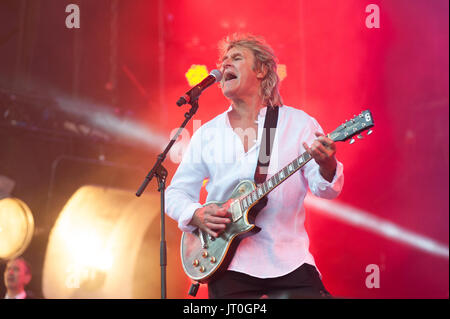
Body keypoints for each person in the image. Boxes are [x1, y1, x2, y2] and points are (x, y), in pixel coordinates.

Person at [165, 33, 344, 299]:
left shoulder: (298, 123)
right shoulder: (208, 133)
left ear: (261, 70)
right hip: (229, 263)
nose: (225, 65)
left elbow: (326, 190)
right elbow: (175, 194)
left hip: (289, 261)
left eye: (236, 58)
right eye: (224, 60)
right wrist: (197, 214)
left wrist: (327, 164)